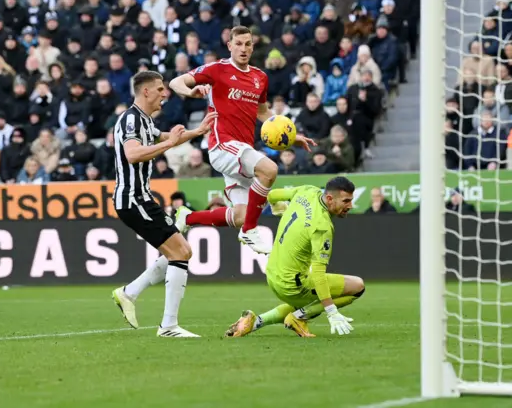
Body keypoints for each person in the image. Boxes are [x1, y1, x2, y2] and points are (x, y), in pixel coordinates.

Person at [169, 26, 316, 254]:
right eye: (238, 44)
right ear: (230, 46)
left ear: (253, 46)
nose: (243, 48)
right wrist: (190, 92)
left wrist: (293, 136)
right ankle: (253, 226)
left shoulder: (260, 77)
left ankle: (188, 217)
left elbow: (264, 113)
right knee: (269, 170)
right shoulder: (217, 69)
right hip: (221, 145)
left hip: (242, 150)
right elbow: (176, 82)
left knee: (239, 215)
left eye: (248, 44)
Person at [111, 71, 216, 338]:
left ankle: (129, 293)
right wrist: (169, 143)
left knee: (179, 251)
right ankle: (168, 326)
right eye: (159, 89)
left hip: (141, 198)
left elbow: (166, 137)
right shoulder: (130, 119)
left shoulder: (144, 120)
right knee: (181, 251)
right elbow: (132, 154)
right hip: (133, 199)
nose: (164, 93)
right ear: (145, 91)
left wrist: (197, 131)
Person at [225, 177, 365, 338]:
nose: (350, 206)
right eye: (346, 201)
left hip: (272, 274)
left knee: (307, 302)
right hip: (292, 284)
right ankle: (298, 318)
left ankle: (254, 322)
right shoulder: (322, 227)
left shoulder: (307, 191)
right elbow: (319, 275)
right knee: (357, 286)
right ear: (329, 199)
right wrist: (331, 311)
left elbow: (271, 194)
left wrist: (277, 206)